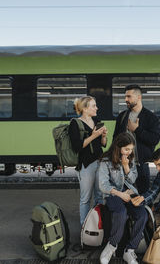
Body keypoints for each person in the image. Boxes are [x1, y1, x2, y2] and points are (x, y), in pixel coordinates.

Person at [98, 132, 148, 264]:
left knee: (142, 214)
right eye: (126, 149)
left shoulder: (130, 159)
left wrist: (126, 166)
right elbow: (103, 185)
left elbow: (133, 179)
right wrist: (121, 194)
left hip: (130, 192)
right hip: (113, 194)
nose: (129, 152)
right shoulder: (105, 161)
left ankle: (130, 250)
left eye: (131, 149)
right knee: (121, 213)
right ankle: (111, 246)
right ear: (118, 147)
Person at [113, 84, 160, 194]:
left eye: (129, 96)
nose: (126, 99)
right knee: (123, 196)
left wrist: (137, 129)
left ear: (139, 97)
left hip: (141, 165)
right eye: (125, 97)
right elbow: (115, 139)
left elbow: (155, 139)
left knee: (143, 196)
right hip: (123, 165)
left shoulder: (151, 118)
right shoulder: (122, 116)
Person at [69, 96, 107, 226]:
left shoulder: (97, 120)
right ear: (85, 108)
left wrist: (103, 136)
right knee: (85, 199)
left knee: (99, 197)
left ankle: (100, 225)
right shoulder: (75, 123)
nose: (96, 108)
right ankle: (84, 226)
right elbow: (77, 146)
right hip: (86, 164)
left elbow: (103, 144)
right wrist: (94, 135)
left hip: (100, 163)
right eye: (93, 106)